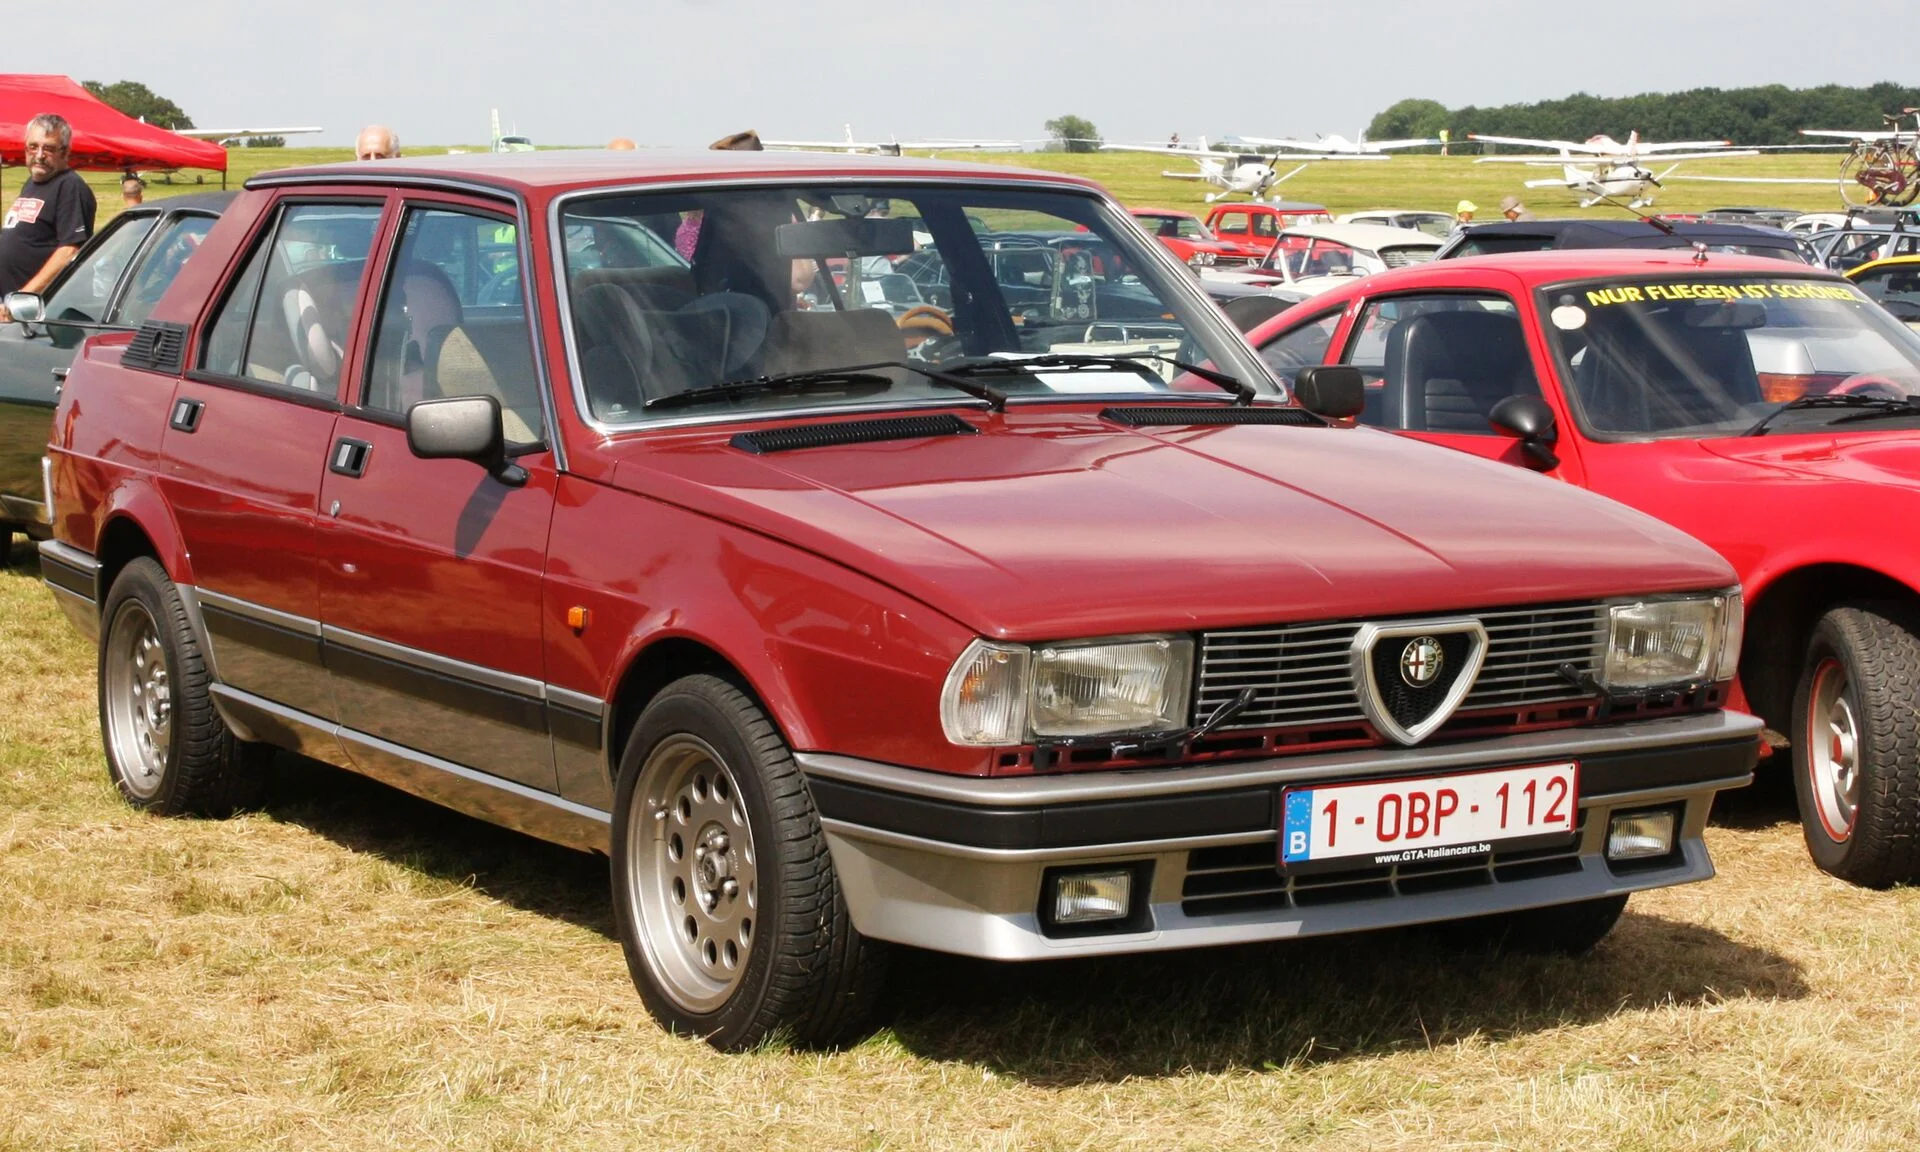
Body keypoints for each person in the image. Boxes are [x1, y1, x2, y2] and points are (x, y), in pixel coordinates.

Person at [0, 113, 98, 321]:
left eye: (49, 148)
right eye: (33, 147)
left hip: (41, 315)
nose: (40, 155)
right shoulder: (32, 184)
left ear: (65, 152)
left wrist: (20, 300)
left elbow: (70, 250)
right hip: (14, 311)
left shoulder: (70, 186)